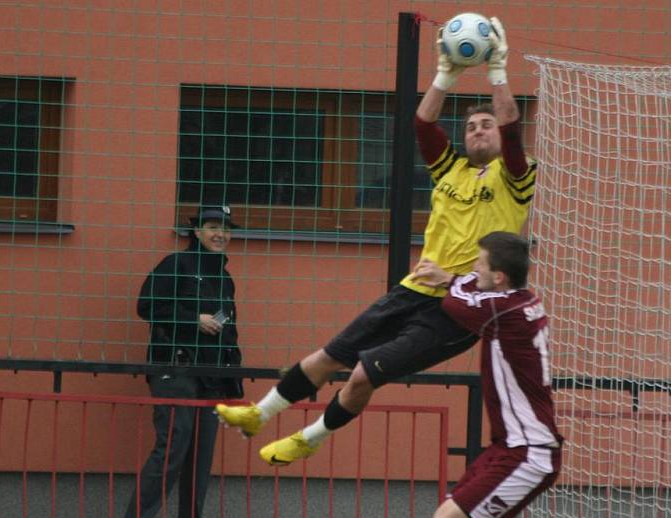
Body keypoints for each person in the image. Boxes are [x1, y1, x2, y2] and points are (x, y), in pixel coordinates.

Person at [216, 17, 537, 466]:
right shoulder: (450, 170)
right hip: (413, 288)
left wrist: (497, 70)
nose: (480, 130)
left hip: (459, 306)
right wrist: (445, 74)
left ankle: (310, 437)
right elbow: (424, 124)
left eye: (487, 125)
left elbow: (514, 129)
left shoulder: (515, 177)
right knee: (329, 355)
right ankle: (259, 413)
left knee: (364, 374)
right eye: (471, 127)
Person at [412, 231, 562, 518]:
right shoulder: (517, 302)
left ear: (499, 278)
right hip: (509, 448)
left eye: (479, 265)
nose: (473, 270)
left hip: (529, 454)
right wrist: (455, 280)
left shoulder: (503, 309)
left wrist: (448, 280)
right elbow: (469, 293)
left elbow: (456, 304)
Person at [116, 205, 243, 518]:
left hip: (212, 376)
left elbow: (228, 329)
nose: (221, 234)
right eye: (213, 227)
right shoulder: (176, 264)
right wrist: (193, 320)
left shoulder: (223, 277)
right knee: (171, 449)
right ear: (196, 232)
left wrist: (232, 376)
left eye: (226, 229)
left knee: (200, 458)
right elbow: (147, 305)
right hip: (176, 370)